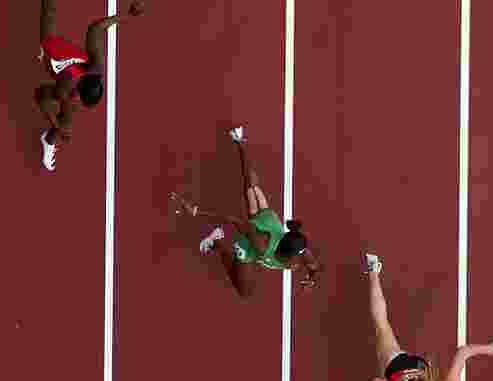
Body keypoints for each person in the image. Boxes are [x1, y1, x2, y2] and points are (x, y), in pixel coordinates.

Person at [365, 253, 493, 381]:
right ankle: (372, 269)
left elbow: (464, 352)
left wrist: (491, 348)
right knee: (381, 324)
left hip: (420, 367)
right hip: (397, 365)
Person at [170, 126, 321, 298]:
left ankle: (240, 142)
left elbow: (314, 267)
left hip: (270, 222)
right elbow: (232, 219)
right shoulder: (260, 243)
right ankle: (216, 243)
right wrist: (197, 212)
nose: (301, 258)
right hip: (251, 242)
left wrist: (311, 279)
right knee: (244, 291)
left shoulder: (297, 258)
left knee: (252, 187)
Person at [35, 0, 145, 171]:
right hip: (51, 50)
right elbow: (40, 96)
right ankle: (51, 138)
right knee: (49, 9)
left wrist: (127, 16)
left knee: (67, 122)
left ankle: (49, 139)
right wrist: (58, 126)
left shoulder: (96, 67)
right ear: (78, 91)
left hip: (65, 56)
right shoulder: (66, 90)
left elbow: (96, 28)